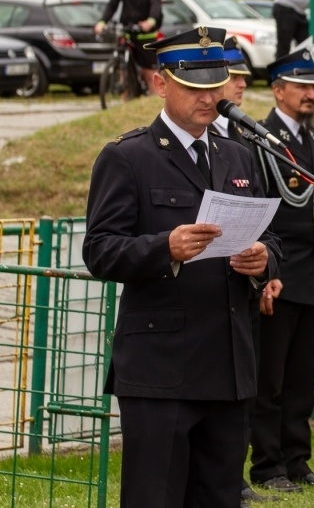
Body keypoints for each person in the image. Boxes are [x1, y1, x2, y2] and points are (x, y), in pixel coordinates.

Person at [82, 26, 281, 508]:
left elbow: (270, 233)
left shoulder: (238, 154)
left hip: (228, 360)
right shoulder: (127, 157)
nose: (208, 96)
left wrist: (264, 259)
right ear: (160, 83)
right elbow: (100, 250)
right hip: (161, 367)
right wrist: (163, 247)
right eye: (194, 85)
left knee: (219, 497)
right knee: (156, 497)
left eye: (215, 83)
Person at [247, 49, 314, 493]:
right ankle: (269, 466)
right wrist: (263, 274)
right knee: (271, 379)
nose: (311, 94)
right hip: (278, 274)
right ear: (278, 89)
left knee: (304, 380)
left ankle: (298, 460)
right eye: (302, 86)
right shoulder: (260, 137)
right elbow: (259, 212)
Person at [208, 36, 276, 507]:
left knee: (243, 391)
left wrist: (266, 263)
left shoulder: (244, 143)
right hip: (194, 299)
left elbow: (268, 221)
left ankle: (235, 477)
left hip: (241, 287)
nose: (237, 89)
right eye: (231, 78)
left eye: (242, 81)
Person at [93, 0, 163, 93]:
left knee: (149, 72)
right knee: (123, 71)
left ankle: (154, 101)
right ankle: (125, 101)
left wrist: (151, 21)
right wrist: (102, 21)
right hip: (127, 31)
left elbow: (155, 5)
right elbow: (112, 5)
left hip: (145, 34)